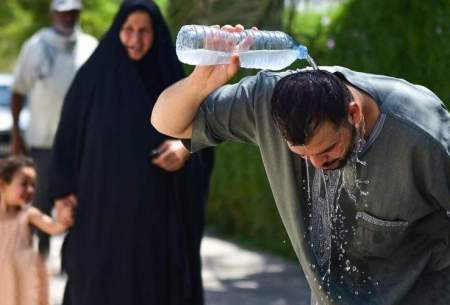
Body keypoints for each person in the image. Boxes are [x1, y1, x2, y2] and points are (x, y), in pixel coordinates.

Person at [151, 25, 450, 305]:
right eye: (302, 155)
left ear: (353, 114)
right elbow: (166, 122)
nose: (317, 164)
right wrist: (201, 81)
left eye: (328, 149)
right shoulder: (266, 101)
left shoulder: (421, 133)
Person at [50, 1, 213, 305]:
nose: (136, 39)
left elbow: (207, 132)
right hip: (100, 215)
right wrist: (61, 194)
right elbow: (67, 136)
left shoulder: (172, 78)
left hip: (156, 219)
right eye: (128, 30)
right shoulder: (92, 79)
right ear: (117, 31)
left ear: (157, 35)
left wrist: (185, 148)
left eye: (144, 31)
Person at [9, 0, 98, 257]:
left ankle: (74, 262)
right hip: (42, 144)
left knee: (79, 204)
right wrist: (16, 134)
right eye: (63, 12)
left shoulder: (91, 47)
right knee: (39, 203)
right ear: (52, 14)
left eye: (73, 12)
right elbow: (18, 92)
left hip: (80, 146)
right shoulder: (35, 46)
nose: (68, 17)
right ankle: (38, 257)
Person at [0, 155, 73, 305]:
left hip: (23, 281)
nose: (30, 189)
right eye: (24, 184)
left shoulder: (29, 214)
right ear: (2, 185)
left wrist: (65, 217)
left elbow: (54, 228)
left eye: (33, 184)